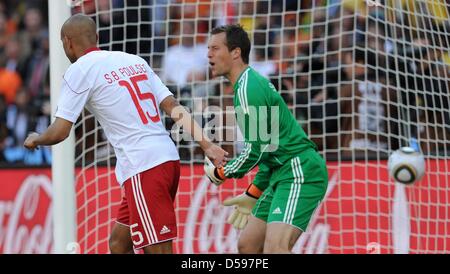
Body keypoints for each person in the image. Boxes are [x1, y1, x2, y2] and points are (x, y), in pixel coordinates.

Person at [23, 14, 227, 254]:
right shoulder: (133, 60)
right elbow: (173, 106)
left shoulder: (79, 70)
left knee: (158, 250)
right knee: (119, 243)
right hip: (167, 159)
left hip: (143, 167)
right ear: (97, 37)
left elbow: (59, 132)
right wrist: (208, 145)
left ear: (67, 42)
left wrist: (36, 137)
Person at [203, 24, 328, 254]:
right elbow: (269, 150)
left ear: (235, 52)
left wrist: (222, 172)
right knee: (248, 245)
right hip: (280, 171)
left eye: (215, 48)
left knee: (276, 248)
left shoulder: (248, 88)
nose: (208, 54)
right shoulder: (246, 84)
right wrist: (253, 192)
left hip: (299, 170)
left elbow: (256, 150)